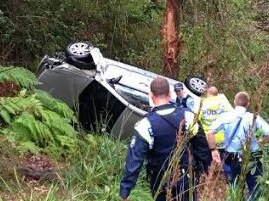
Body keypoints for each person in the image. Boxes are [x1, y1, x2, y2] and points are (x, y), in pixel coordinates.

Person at [119, 77, 211, 201]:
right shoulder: (188, 116)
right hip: (186, 178)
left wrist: (126, 190)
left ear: (151, 95)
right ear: (170, 94)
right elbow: (202, 148)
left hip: (160, 182)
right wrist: (204, 173)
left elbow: (134, 160)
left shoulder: (145, 125)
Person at [208, 91, 269, 199]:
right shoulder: (254, 117)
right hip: (253, 155)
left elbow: (210, 132)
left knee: (234, 188)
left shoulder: (225, 116)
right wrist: (260, 142)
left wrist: (214, 150)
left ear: (234, 102)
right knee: (255, 189)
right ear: (248, 103)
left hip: (231, 157)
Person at [199, 86, 232, 179]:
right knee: (225, 161)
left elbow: (197, 118)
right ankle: (229, 180)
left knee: (207, 160)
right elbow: (231, 116)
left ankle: (207, 178)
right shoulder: (223, 102)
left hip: (208, 138)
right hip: (223, 137)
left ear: (207, 94)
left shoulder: (202, 102)